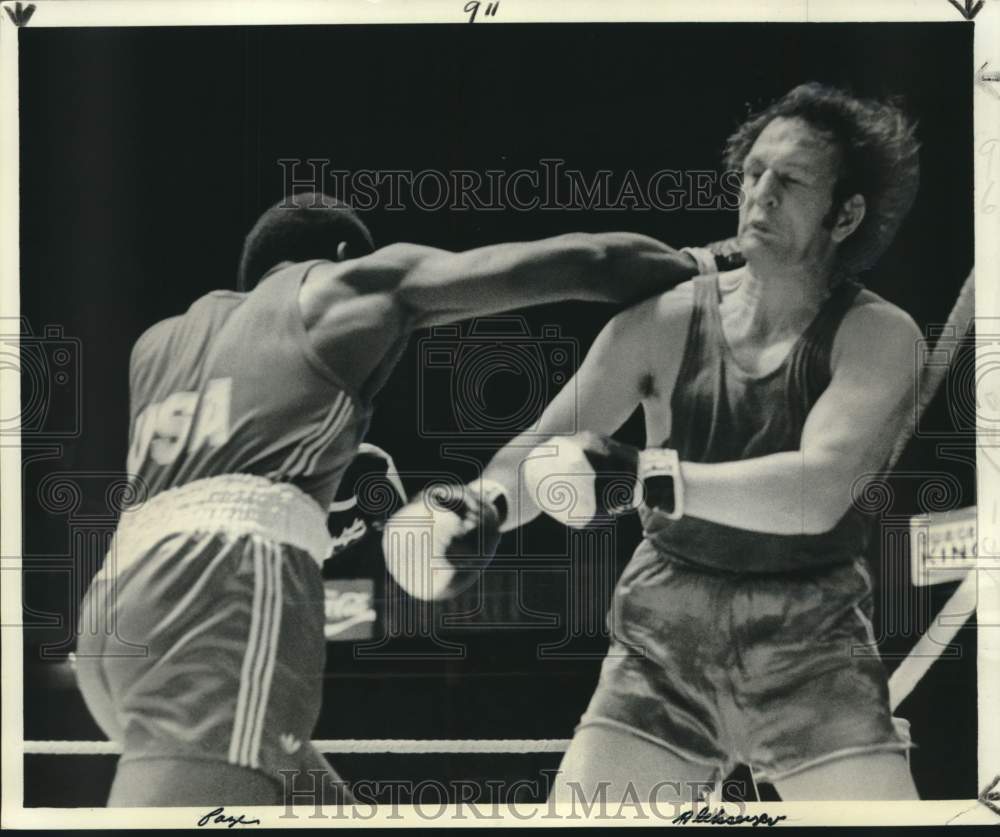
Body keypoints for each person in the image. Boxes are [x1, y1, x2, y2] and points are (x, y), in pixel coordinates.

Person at [74, 191, 726, 806]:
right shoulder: (346, 285)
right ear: (339, 256)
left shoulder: (159, 344)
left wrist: (324, 504)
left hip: (113, 613)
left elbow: (205, 489)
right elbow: (592, 259)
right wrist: (700, 263)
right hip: (215, 608)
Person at [388, 83, 923, 801]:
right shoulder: (663, 321)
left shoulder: (879, 337)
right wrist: (481, 503)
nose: (759, 195)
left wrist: (649, 473)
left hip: (811, 645)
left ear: (846, 214)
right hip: (665, 639)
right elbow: (543, 445)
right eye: (753, 174)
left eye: (790, 181)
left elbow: (815, 490)